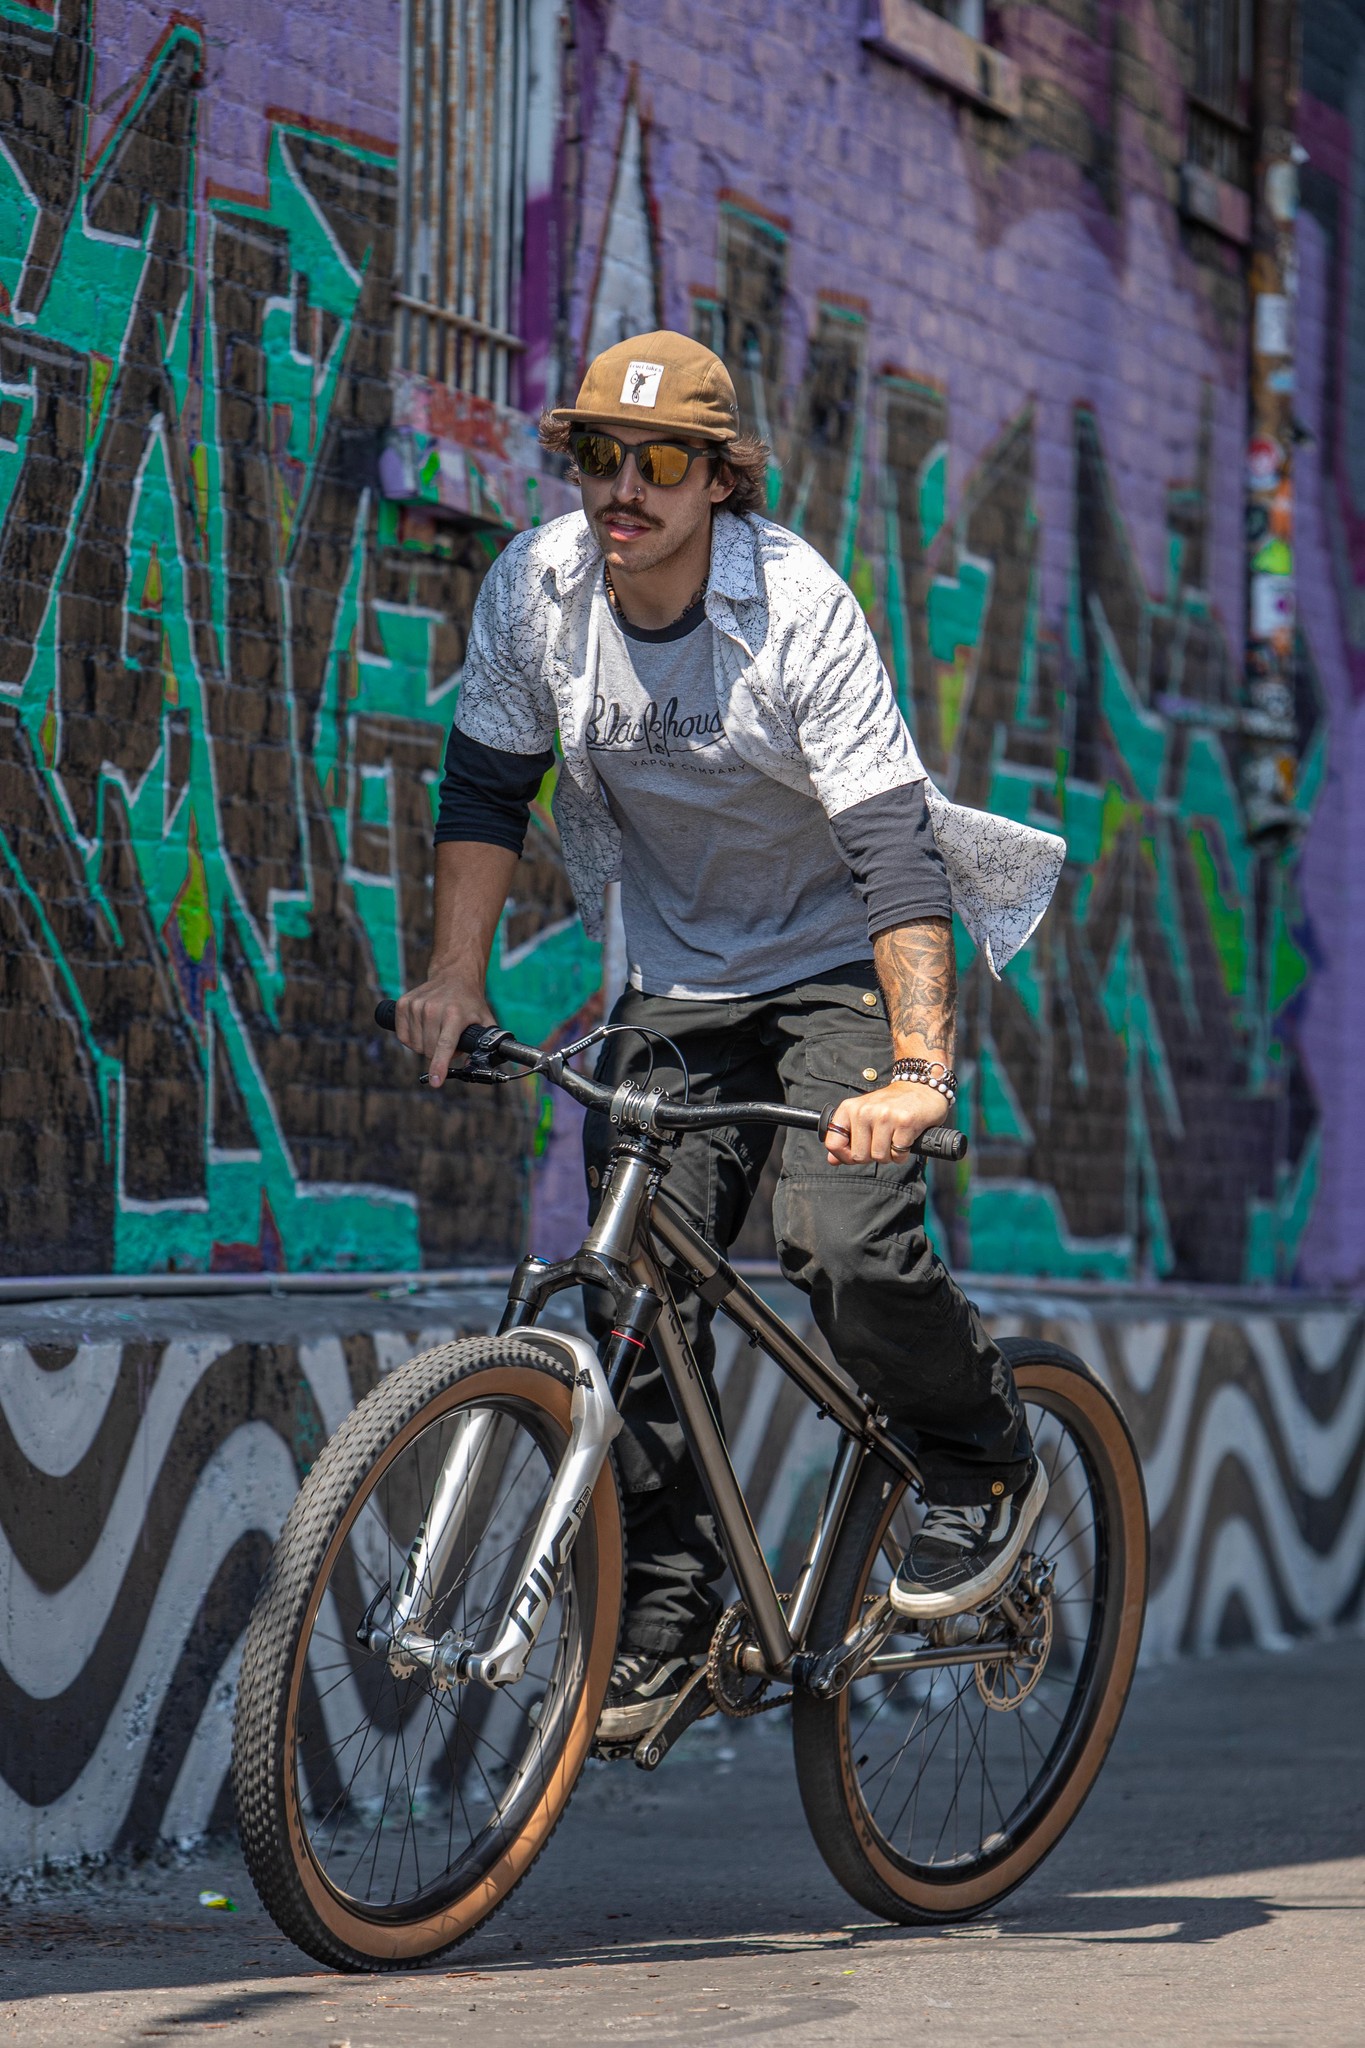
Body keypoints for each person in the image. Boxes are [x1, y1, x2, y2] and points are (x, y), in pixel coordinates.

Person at [396, 331, 1065, 1744]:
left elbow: (891, 853)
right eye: (596, 457)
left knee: (841, 1240)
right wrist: (455, 978)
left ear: (716, 479)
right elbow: (484, 790)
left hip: (836, 958)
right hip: (684, 980)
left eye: (658, 463)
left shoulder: (794, 607)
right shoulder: (540, 589)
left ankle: (976, 1458)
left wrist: (916, 1069)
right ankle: (676, 1608)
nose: (621, 488)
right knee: (628, 1295)